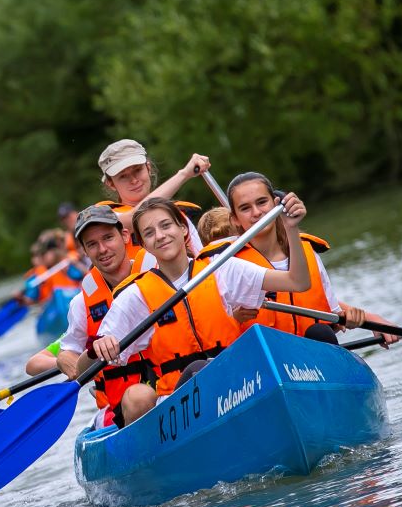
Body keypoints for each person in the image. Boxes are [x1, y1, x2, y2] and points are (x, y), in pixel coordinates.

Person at [80, 194, 313, 429]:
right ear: (144, 244)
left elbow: (298, 282)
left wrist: (291, 228)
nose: (160, 236)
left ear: (183, 229)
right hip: (180, 411)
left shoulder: (220, 269)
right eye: (149, 233)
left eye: (166, 225)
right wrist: (97, 347)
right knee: (188, 375)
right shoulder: (136, 296)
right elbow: (84, 370)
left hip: (240, 386)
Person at [222, 172, 400, 346]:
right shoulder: (230, 265)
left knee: (320, 333)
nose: (256, 212)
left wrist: (369, 319)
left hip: (311, 357)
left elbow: (331, 314)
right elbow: (219, 331)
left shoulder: (307, 251)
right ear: (235, 219)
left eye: (262, 202)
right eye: (245, 208)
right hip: (265, 359)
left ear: (276, 203)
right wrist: (234, 319)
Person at [54, 205, 159, 428]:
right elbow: (72, 358)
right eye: (92, 244)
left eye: (108, 238)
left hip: (173, 383)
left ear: (124, 235)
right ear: (84, 251)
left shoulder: (159, 273)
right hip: (125, 406)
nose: (102, 249)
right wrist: (67, 356)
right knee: (139, 398)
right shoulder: (81, 304)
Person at [97, 139, 210, 258]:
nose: (134, 180)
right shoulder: (103, 215)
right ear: (111, 184)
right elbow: (134, 217)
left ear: (148, 168)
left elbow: (201, 258)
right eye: (123, 176)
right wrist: (185, 174)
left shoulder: (177, 212)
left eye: (137, 170)